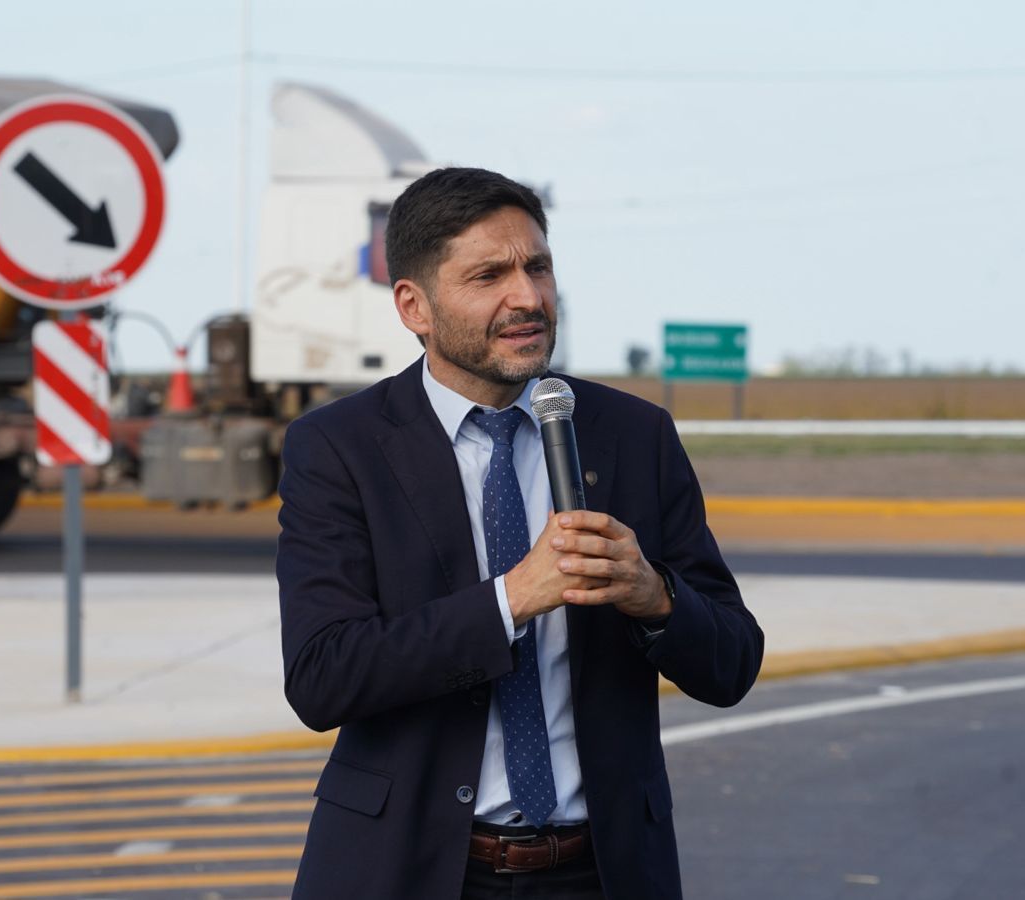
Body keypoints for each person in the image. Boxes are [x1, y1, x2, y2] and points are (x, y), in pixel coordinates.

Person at [276, 167, 763, 899]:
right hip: (408, 869)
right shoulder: (339, 448)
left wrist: (655, 597)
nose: (528, 297)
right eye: (489, 276)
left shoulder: (634, 435)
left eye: (538, 267)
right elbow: (324, 677)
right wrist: (510, 600)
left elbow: (733, 664)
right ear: (414, 306)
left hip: (601, 872)